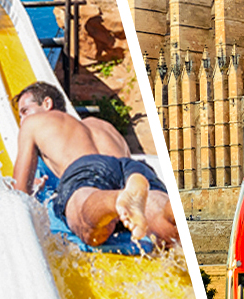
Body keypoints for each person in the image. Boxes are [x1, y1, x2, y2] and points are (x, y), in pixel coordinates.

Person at [10, 81, 176, 246]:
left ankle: (116, 200)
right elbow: (119, 164)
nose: (22, 120)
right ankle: (176, 209)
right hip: (132, 169)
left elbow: (20, 192)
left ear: (47, 103)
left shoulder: (33, 123)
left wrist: (32, 189)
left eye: (25, 111)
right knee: (166, 225)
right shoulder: (103, 125)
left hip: (88, 170)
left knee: (90, 228)